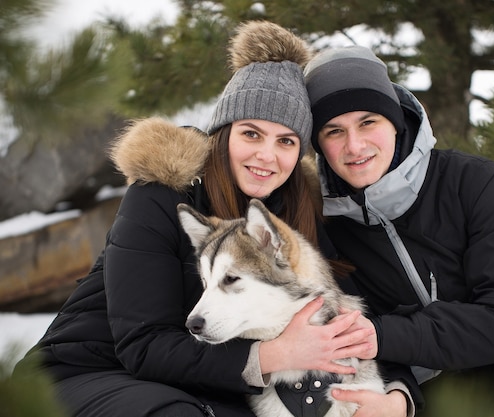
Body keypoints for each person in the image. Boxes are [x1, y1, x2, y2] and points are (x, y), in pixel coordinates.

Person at [12, 21, 419, 417]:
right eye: (251, 134)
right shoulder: (161, 196)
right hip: (85, 373)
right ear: (224, 134)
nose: (267, 155)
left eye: (286, 141)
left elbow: (351, 315)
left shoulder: (292, 218)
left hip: (204, 383)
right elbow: (142, 345)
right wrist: (276, 354)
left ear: (299, 154)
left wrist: (397, 396)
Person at [301, 45, 494, 417]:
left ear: (395, 121)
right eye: (334, 131)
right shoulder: (325, 226)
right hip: (425, 399)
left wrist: (384, 334)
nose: (354, 146)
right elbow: (349, 339)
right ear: (319, 145)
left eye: (368, 122)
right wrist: (399, 396)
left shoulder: (471, 182)